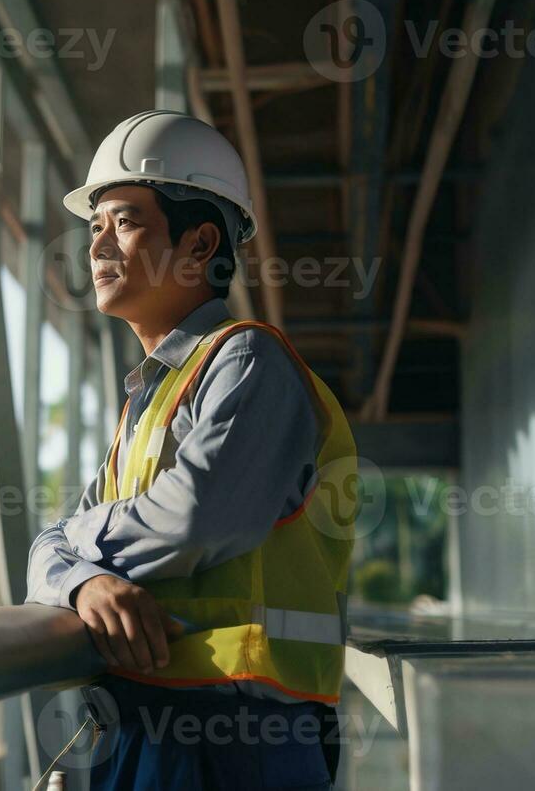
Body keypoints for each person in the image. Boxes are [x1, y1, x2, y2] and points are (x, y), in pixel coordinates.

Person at [26, 111, 357, 790]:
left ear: (199, 242)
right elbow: (41, 555)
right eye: (94, 227)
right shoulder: (147, 402)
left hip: (243, 739)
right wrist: (83, 579)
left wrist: (75, 540)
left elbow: (201, 515)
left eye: (124, 221)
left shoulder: (249, 360)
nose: (97, 247)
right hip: (143, 728)